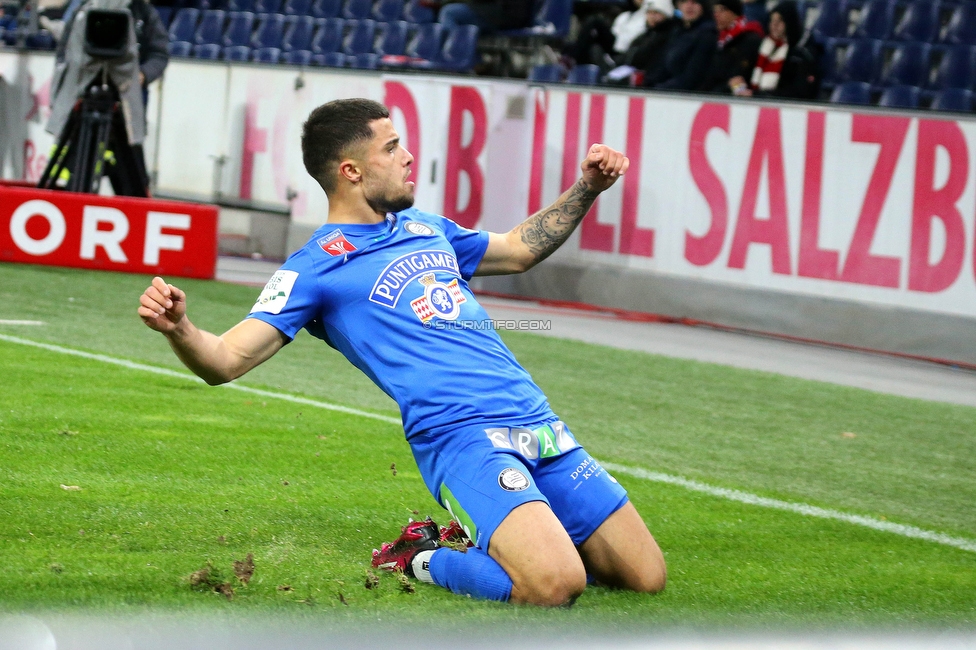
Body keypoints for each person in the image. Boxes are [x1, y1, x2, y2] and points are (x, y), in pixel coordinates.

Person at [138, 98, 667, 606]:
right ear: (351, 171)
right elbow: (226, 359)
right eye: (391, 148)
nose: (408, 157)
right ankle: (421, 556)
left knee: (645, 577)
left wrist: (588, 187)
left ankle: (521, 534)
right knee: (554, 587)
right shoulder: (315, 267)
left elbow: (520, 248)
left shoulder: (427, 228)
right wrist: (180, 329)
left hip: (537, 420)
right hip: (460, 438)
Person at [49, 0, 168, 194]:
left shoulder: (143, 11)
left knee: (132, 179)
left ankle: (134, 208)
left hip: (127, 104)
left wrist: (143, 74)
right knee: (76, 170)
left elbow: (160, 53)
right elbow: (65, 51)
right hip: (84, 97)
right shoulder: (84, 7)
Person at [729, 1, 819, 99]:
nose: (774, 24)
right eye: (772, 20)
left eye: (780, 20)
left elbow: (799, 93)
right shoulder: (759, 49)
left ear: (789, 23)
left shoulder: (799, 56)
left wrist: (757, 95)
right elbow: (738, 77)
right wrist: (739, 88)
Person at [644, 0, 717, 91]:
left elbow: (692, 77)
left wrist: (658, 89)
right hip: (669, 88)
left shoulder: (708, 34)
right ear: (678, 5)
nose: (689, 6)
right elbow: (662, 65)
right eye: (684, 1)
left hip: (690, 95)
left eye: (694, 2)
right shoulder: (677, 31)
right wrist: (648, 83)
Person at [696, 0, 764, 93]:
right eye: (715, 11)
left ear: (734, 12)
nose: (716, 15)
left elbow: (738, 77)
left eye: (722, 10)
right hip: (714, 94)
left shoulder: (749, 39)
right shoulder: (720, 38)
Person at [564, 0, 650, 70]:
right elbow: (615, 33)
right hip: (615, 46)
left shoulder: (646, 18)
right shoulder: (625, 16)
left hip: (625, 51)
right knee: (590, 40)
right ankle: (572, 60)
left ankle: (572, 58)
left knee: (595, 21)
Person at [437, 0, 532, 34]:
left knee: (449, 13)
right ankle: (474, 60)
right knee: (451, 13)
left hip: (504, 15)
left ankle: (454, 55)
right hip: (498, 13)